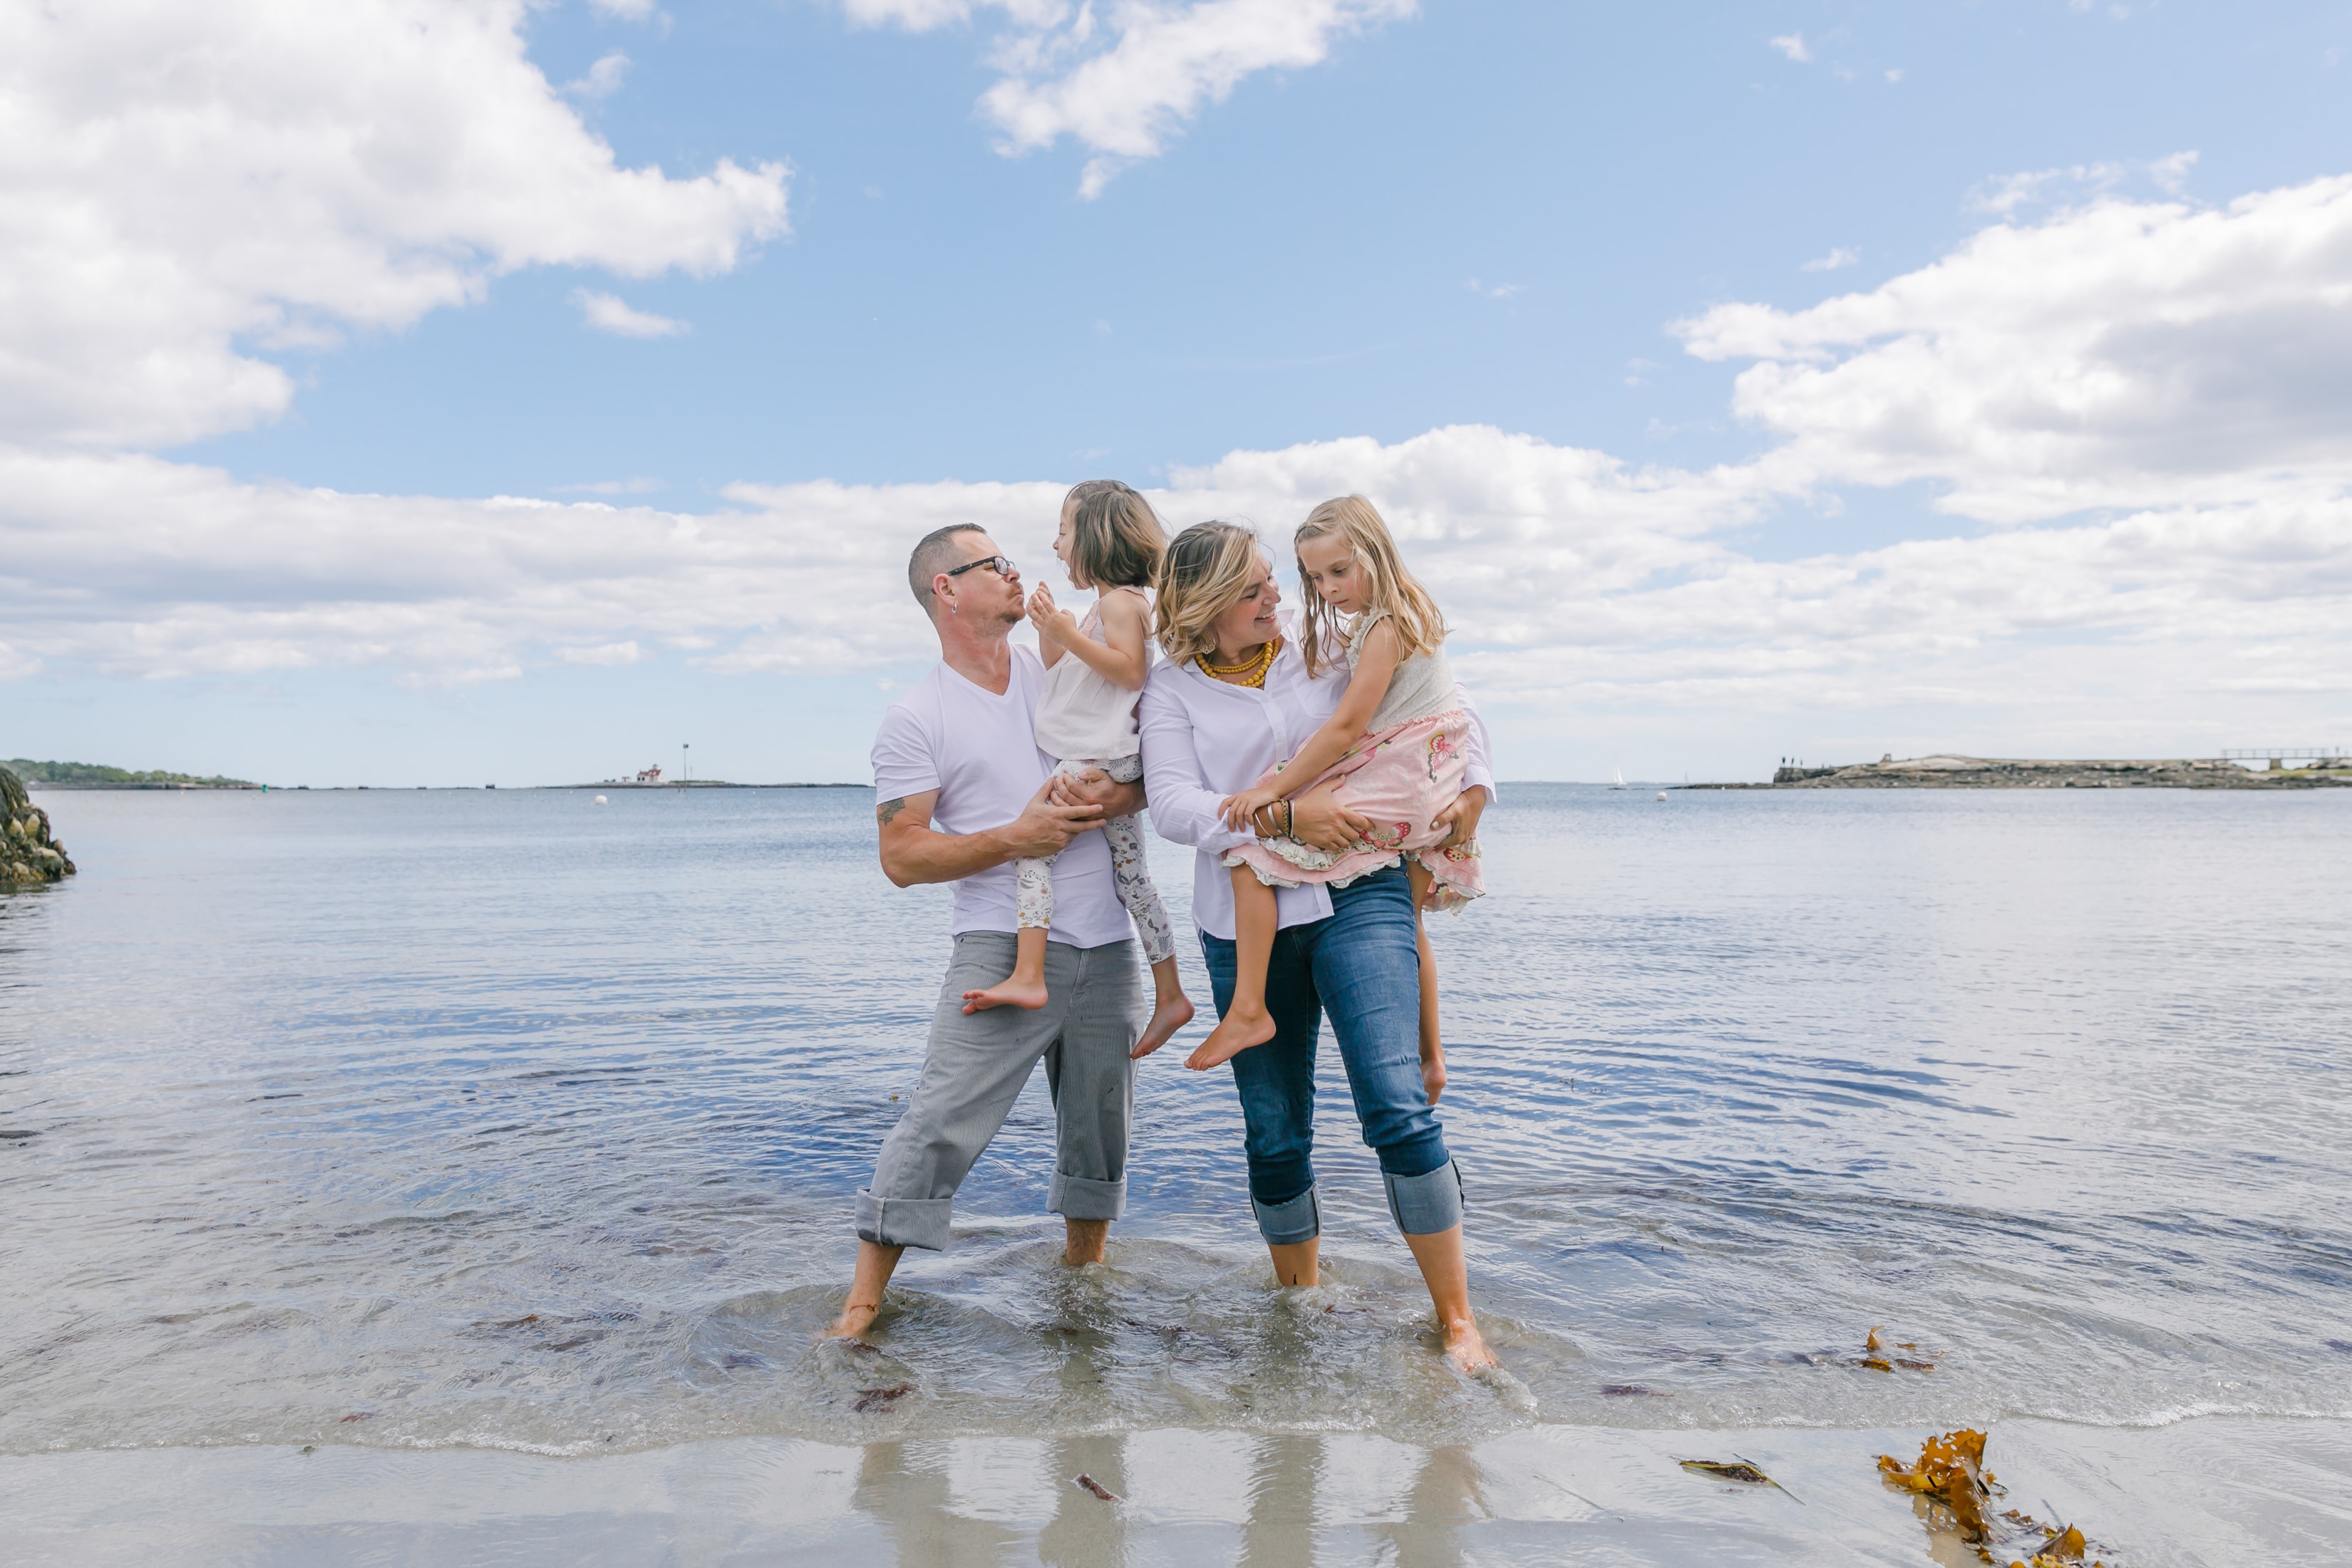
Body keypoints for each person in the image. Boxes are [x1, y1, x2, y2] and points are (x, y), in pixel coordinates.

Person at [1136, 520, 1500, 1372]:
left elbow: (1443, 696)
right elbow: (1174, 805)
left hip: (1361, 886)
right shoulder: (1170, 690)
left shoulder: (1326, 642)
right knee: (1274, 1133)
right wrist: (1284, 813)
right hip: (1243, 919)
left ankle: (1457, 1322)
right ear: (1209, 603)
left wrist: (1476, 788)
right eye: (1257, 587)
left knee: (1395, 1102)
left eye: (1275, 581)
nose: (1278, 598)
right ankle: (1297, 1307)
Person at [826, 524, 1149, 1339]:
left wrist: (1110, 802)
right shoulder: (916, 717)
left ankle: (1085, 1289)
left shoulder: (1062, 667)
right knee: (938, 1122)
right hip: (1000, 947)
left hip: (1107, 945)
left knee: (1100, 1126)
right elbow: (900, 856)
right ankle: (862, 1307)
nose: (1017, 574)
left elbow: (1142, 766)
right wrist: (1015, 836)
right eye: (995, 566)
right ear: (946, 588)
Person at [1192, 495, 1484, 1071]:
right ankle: (1432, 1055)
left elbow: (1347, 726)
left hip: (1404, 772)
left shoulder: (1383, 628)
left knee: (1249, 852)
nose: (1327, 588)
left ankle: (1248, 1008)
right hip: (1426, 769)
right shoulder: (1407, 614)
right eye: (1315, 577)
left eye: (1339, 571)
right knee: (1410, 916)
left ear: (1374, 554)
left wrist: (1273, 793)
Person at [959, 482, 1195, 1059]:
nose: (1056, 544)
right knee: (1133, 879)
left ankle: (1030, 974)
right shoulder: (1109, 606)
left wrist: (1065, 632)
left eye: (1064, 532)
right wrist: (1052, 633)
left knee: (1031, 852)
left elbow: (1130, 672)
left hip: (1097, 755)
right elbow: (1070, 674)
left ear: (1094, 539)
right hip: (1108, 753)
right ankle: (1171, 993)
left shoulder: (1120, 603)